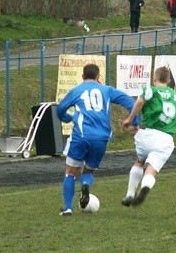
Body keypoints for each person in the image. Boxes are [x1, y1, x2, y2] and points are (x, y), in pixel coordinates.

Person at [55, 63, 137, 216]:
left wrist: (67, 118)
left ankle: (67, 208)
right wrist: (135, 122)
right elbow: (130, 102)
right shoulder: (107, 90)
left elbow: (59, 109)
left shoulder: (77, 90)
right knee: (89, 171)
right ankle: (85, 184)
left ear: (82, 76)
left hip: (81, 135)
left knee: (70, 172)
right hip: (101, 137)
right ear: (98, 77)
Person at [121, 66, 176, 207]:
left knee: (139, 162)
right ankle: (145, 186)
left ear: (154, 78)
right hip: (165, 138)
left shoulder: (151, 90)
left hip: (147, 135)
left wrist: (130, 119)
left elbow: (140, 101)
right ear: (168, 81)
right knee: (152, 170)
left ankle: (130, 194)